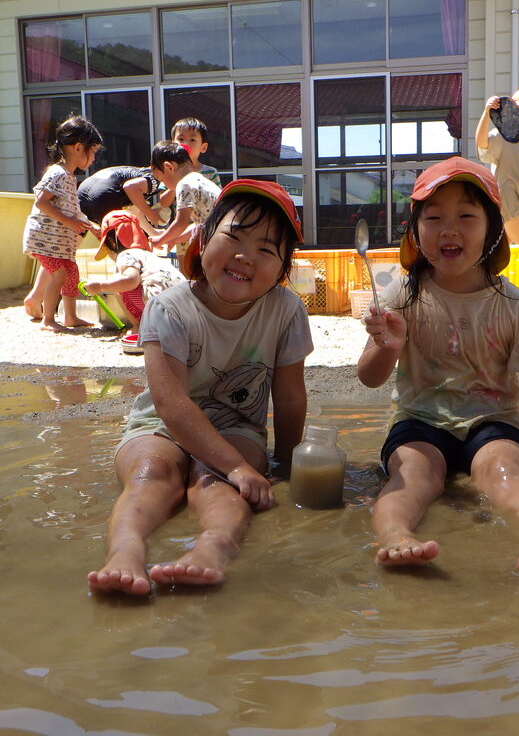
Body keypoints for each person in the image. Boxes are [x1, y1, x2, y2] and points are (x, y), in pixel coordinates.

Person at [87, 179, 312, 595]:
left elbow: (290, 396)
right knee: (152, 472)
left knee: (220, 481)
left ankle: (213, 547)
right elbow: (171, 404)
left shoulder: (285, 309)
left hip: (236, 425)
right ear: (203, 239)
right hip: (158, 426)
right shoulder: (169, 307)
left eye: (266, 249)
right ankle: (125, 550)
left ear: (282, 271)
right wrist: (240, 467)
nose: (245, 256)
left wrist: (284, 463)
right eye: (235, 236)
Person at [357, 156, 519, 577]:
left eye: (466, 216)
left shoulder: (514, 308)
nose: (449, 229)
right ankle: (395, 536)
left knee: (507, 474)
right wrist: (387, 346)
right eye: (434, 217)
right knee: (414, 475)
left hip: (493, 423)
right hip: (419, 419)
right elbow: (369, 377)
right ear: (416, 231)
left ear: (492, 231)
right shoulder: (401, 296)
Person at [21, 115, 102, 332]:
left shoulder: (69, 177)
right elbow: (41, 202)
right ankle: (48, 319)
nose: (93, 158)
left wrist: (89, 225)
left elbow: (72, 211)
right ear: (78, 147)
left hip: (59, 242)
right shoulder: (57, 173)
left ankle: (71, 317)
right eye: (92, 151)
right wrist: (70, 222)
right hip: (45, 240)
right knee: (60, 275)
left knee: (72, 273)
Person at [82, 210, 185, 346]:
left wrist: (100, 286)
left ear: (112, 242)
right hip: (183, 306)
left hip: (161, 308)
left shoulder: (126, 255)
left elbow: (130, 281)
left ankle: (140, 327)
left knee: (120, 286)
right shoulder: (148, 255)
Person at [474, 87, 519, 246]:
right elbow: (481, 143)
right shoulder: (502, 137)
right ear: (512, 112)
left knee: (506, 258)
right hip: (507, 203)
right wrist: (487, 112)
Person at [148, 141, 221, 256]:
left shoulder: (184, 185)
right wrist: (174, 239)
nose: (164, 184)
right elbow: (199, 225)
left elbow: (181, 223)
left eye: (162, 179)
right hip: (225, 236)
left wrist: (160, 239)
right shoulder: (198, 179)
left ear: (169, 168)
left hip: (218, 242)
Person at [170, 117, 222, 186]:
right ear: (173, 145)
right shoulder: (170, 170)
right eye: (181, 139)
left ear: (203, 147)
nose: (186, 144)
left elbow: (218, 196)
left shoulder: (210, 172)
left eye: (192, 140)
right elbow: (161, 197)